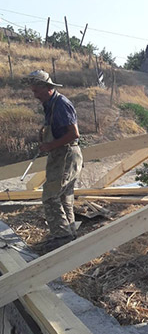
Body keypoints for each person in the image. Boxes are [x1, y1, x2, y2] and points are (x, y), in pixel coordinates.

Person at [24, 70, 83, 252]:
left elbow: (74, 134)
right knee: (64, 195)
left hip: (66, 154)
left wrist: (51, 145)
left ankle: (62, 237)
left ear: (47, 88)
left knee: (50, 197)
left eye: (37, 92)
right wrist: (48, 143)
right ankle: (69, 233)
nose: (35, 96)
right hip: (61, 153)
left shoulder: (60, 104)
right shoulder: (50, 104)